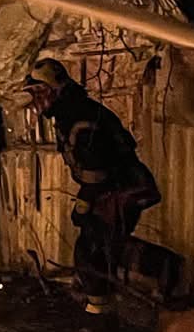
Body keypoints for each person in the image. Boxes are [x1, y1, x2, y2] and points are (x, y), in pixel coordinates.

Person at [19, 57, 162, 314]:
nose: (35, 101)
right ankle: (102, 307)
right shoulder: (71, 112)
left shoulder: (78, 117)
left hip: (121, 189)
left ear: (52, 90)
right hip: (115, 188)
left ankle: (105, 314)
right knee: (98, 246)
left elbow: (97, 172)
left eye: (38, 92)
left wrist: (84, 205)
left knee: (95, 248)